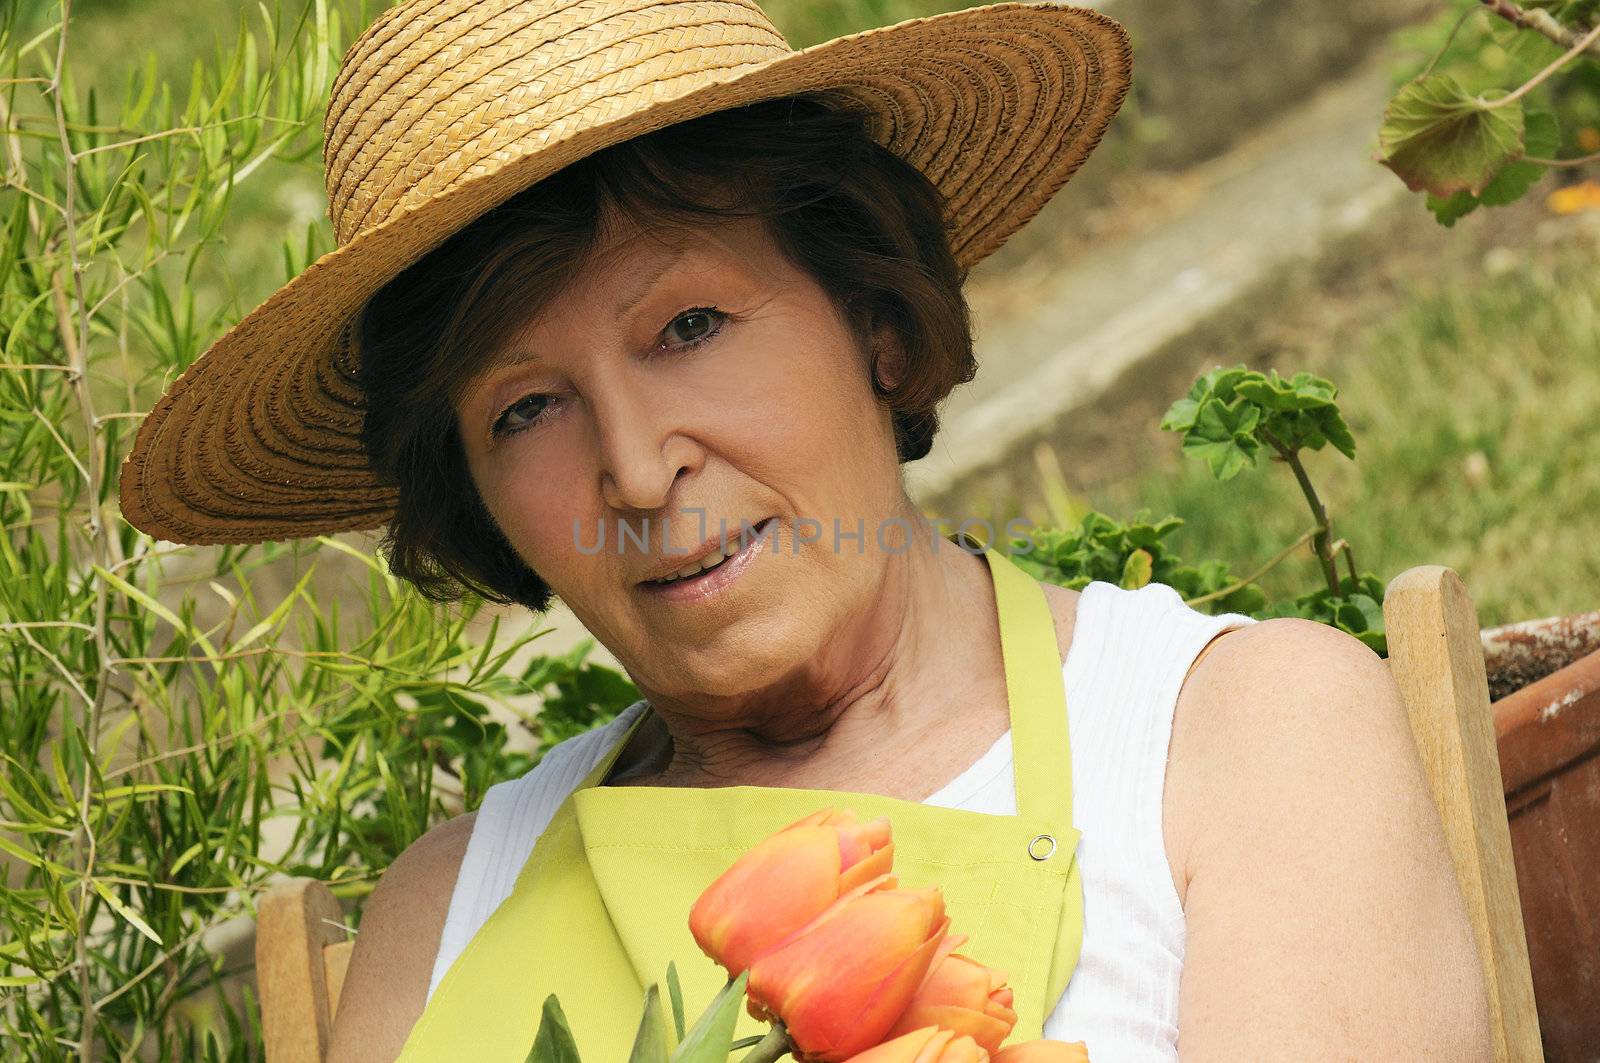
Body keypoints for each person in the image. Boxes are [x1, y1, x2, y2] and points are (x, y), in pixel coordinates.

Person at [118, 0, 1492, 1060]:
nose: (640, 469)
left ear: (877, 324)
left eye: (691, 328)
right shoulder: (441, 915)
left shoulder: (1241, 738)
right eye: (527, 409)